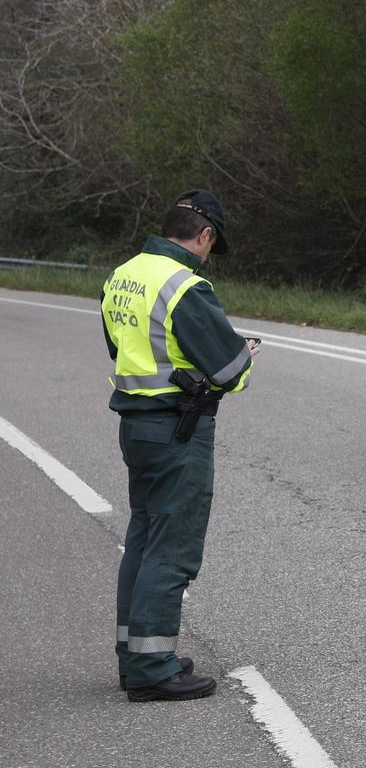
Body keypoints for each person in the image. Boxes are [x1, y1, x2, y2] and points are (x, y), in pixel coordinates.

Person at [101, 189, 258, 702]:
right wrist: (245, 351)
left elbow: (129, 349)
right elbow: (230, 370)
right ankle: (152, 669)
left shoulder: (123, 274)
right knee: (171, 547)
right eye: (213, 244)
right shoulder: (184, 285)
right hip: (178, 430)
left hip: (137, 426)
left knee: (144, 538)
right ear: (205, 234)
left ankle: (136, 654)